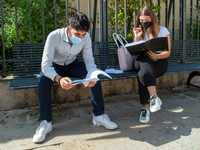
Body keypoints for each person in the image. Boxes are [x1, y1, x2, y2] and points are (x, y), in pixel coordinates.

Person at [33, 12, 118, 143]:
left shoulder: (86, 37)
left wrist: (91, 77)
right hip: (55, 66)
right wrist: (58, 79)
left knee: (95, 77)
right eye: (77, 34)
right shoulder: (54, 36)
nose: (81, 37)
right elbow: (45, 65)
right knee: (43, 80)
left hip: (72, 64)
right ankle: (45, 122)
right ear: (68, 28)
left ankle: (99, 115)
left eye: (83, 34)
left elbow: (89, 60)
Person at [132, 6, 171, 123]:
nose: (144, 23)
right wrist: (137, 38)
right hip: (141, 61)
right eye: (141, 21)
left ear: (152, 18)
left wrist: (157, 56)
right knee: (144, 57)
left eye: (147, 20)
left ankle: (145, 108)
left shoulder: (162, 30)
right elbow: (134, 53)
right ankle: (154, 97)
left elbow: (167, 52)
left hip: (158, 61)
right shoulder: (139, 31)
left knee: (142, 74)